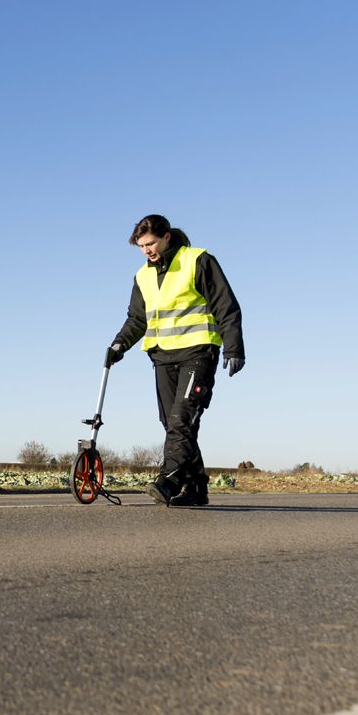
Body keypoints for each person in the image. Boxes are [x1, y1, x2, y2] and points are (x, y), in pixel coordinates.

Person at [103, 214, 245, 507]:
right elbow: (137, 319)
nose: (147, 250)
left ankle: (168, 480)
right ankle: (196, 487)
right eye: (141, 246)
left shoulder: (198, 261)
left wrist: (234, 348)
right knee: (171, 422)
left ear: (166, 236)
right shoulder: (142, 276)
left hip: (198, 352)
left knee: (181, 419)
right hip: (163, 356)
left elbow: (225, 305)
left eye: (151, 243)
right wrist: (119, 344)